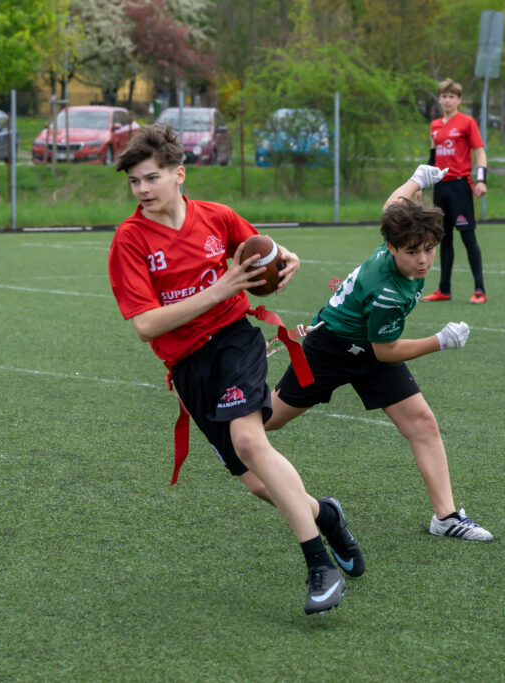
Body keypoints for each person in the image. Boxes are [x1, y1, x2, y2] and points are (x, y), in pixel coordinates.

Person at [107, 124, 365, 616]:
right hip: (187, 365)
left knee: (250, 441)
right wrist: (220, 288)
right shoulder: (130, 240)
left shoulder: (216, 217)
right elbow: (146, 325)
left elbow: (268, 252)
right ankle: (325, 515)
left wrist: (288, 259)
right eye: (134, 181)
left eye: (152, 177)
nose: (142, 189)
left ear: (179, 174)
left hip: (234, 340)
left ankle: (319, 566)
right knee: (256, 482)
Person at [249, 165, 493, 542]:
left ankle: (445, 517)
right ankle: (229, 426)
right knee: (269, 420)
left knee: (422, 423)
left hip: (368, 348)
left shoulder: (398, 237)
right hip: (331, 348)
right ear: (391, 247)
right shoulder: (387, 292)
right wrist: (439, 341)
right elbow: (386, 351)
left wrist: (418, 179)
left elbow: (392, 204)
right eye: (412, 252)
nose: (423, 260)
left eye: (429, 249)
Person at [419, 78, 488, 304]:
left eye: (452, 96)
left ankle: (479, 290)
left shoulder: (467, 122)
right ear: (439, 99)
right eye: (444, 96)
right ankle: (444, 289)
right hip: (441, 188)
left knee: (468, 237)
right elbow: (432, 159)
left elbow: (480, 152)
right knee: (444, 238)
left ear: (459, 99)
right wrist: (421, 184)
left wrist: (481, 180)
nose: (447, 100)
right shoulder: (435, 126)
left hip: (460, 186)